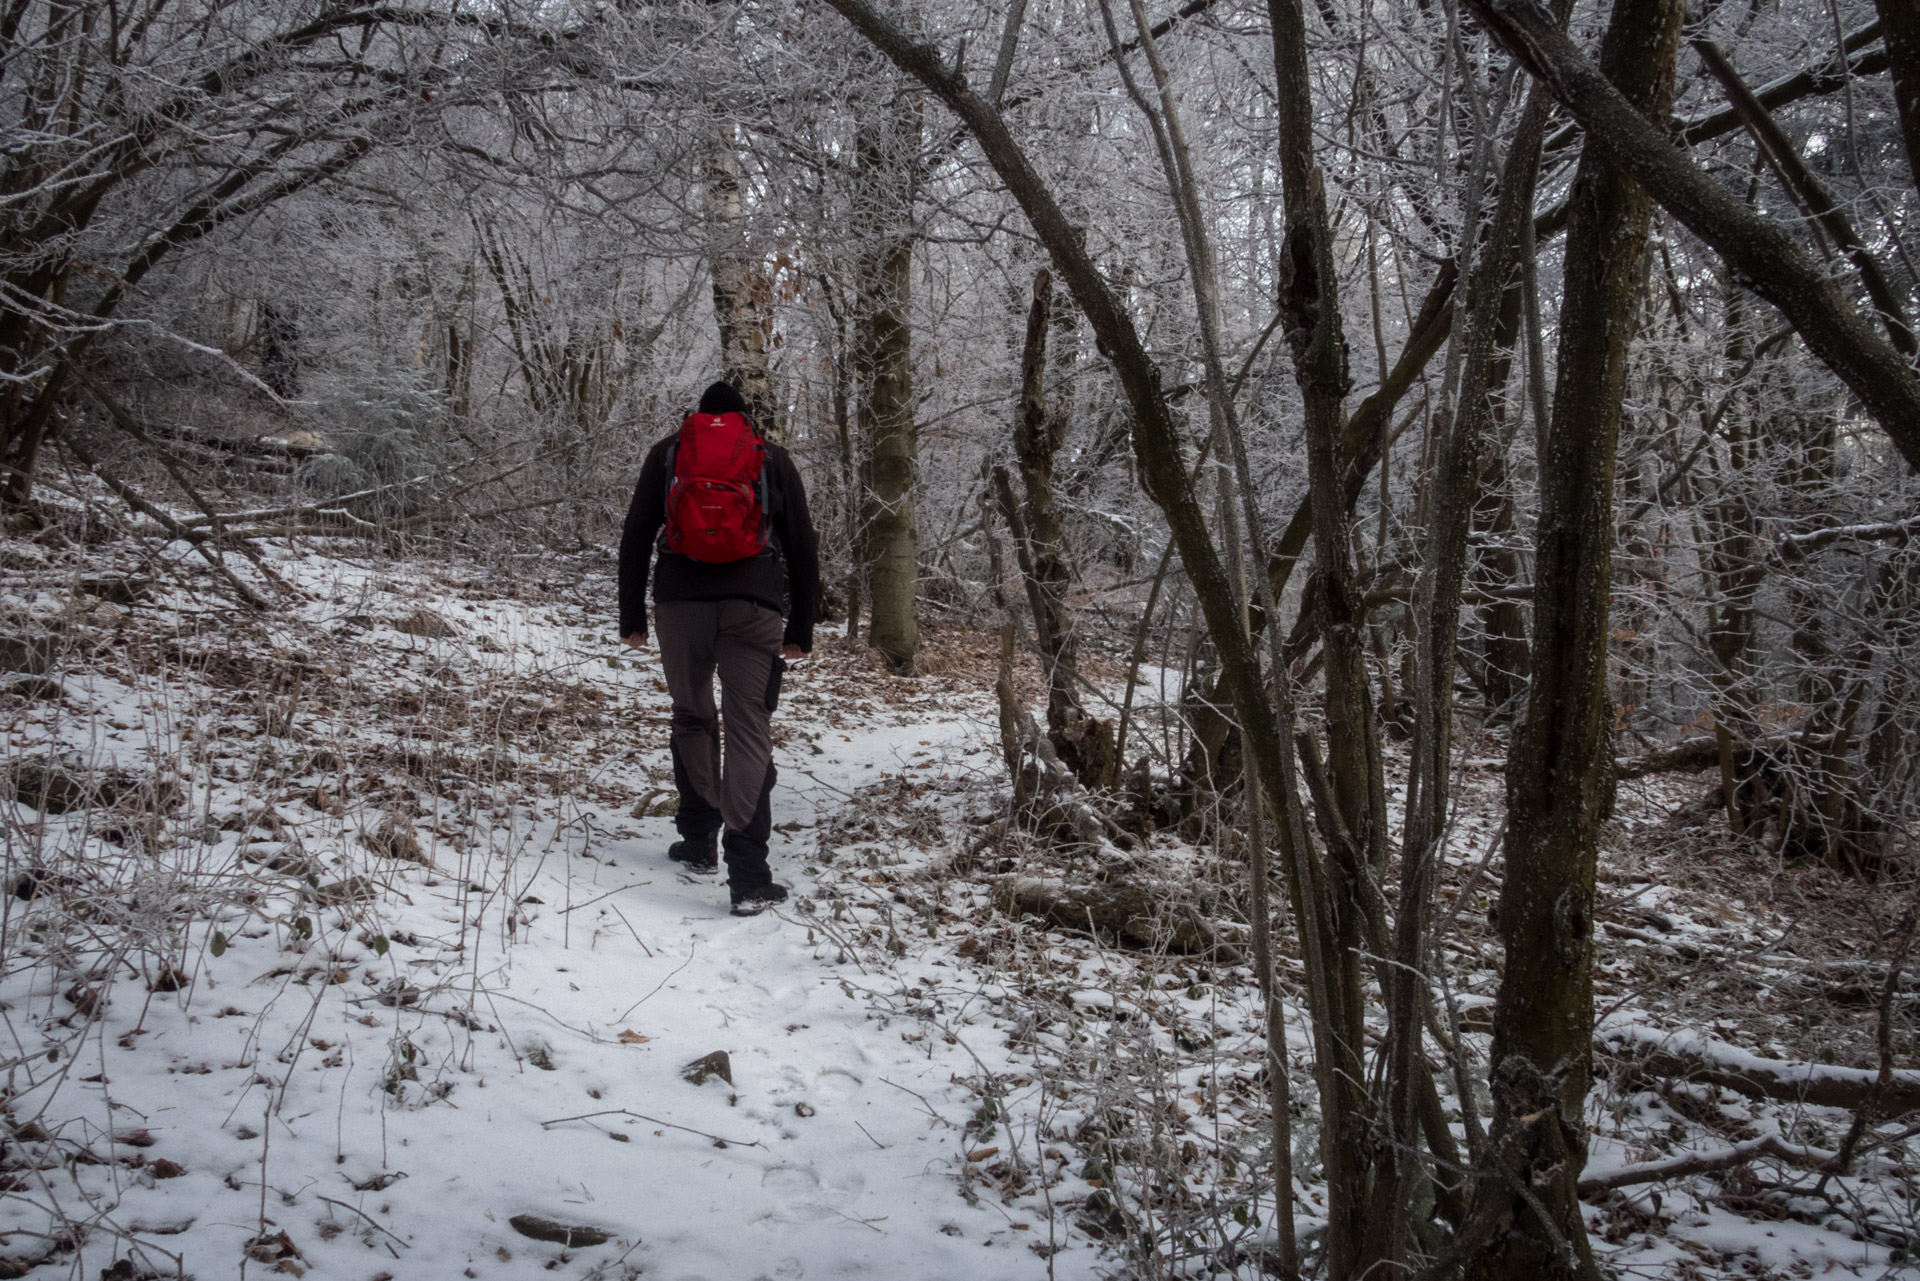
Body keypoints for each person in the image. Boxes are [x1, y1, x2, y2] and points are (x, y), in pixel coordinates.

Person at [618, 382, 819, 916]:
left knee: (691, 715)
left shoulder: (668, 454)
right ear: (745, 421)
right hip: (753, 605)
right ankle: (749, 877)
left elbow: (637, 533)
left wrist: (631, 615)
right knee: (748, 727)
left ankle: (700, 840)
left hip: (679, 603)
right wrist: (802, 625)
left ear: (698, 416)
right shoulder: (770, 458)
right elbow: (801, 543)